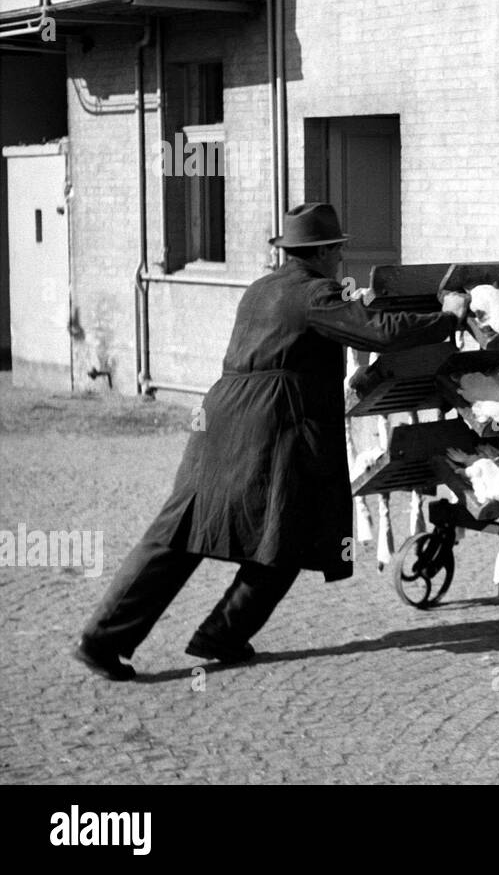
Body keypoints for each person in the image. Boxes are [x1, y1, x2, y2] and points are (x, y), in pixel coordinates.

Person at [75, 203, 468, 680]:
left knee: (179, 533)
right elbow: (378, 333)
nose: (341, 258)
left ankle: (104, 638)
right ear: (322, 252)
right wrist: (447, 318)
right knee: (289, 528)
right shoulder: (315, 293)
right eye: (338, 250)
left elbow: (325, 325)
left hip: (218, 419)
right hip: (272, 424)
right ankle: (220, 632)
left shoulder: (263, 288)